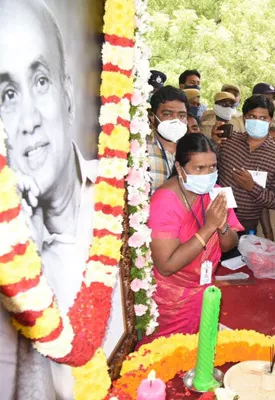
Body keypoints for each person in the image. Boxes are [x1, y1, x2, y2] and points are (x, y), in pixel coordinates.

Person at [0, 0, 124, 398]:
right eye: (6, 95)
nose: (29, 120)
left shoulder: (118, 195)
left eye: (40, 81)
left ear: (67, 90)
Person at [143, 134, 242, 345]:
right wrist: (208, 227)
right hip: (171, 298)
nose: (208, 174)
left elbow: (229, 245)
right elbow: (166, 265)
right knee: (170, 355)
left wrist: (222, 225)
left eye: (213, 167)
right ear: (180, 168)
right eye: (199, 168)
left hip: (204, 288)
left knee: (200, 352)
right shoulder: (163, 201)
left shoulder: (216, 192)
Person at [217, 94, 275, 239]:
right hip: (216, 217)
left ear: (270, 120)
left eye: (263, 118)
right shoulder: (228, 141)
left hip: (246, 226)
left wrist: (252, 187)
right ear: (244, 118)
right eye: (252, 116)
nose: (257, 121)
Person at [147, 86, 189, 193]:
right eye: (167, 114)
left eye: (181, 115)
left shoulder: (192, 149)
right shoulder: (139, 149)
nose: (176, 120)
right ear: (152, 117)